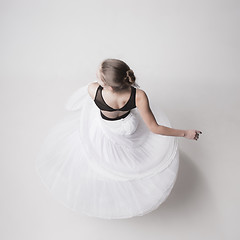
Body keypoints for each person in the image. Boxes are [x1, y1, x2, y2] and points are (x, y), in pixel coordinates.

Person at [35, 58, 202, 220]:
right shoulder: (139, 96)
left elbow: (82, 101)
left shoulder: (93, 90)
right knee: (134, 160)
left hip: (107, 128)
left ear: (108, 87)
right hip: (130, 127)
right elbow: (154, 128)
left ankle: (104, 189)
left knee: (100, 160)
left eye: (99, 77)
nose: (96, 77)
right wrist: (185, 133)